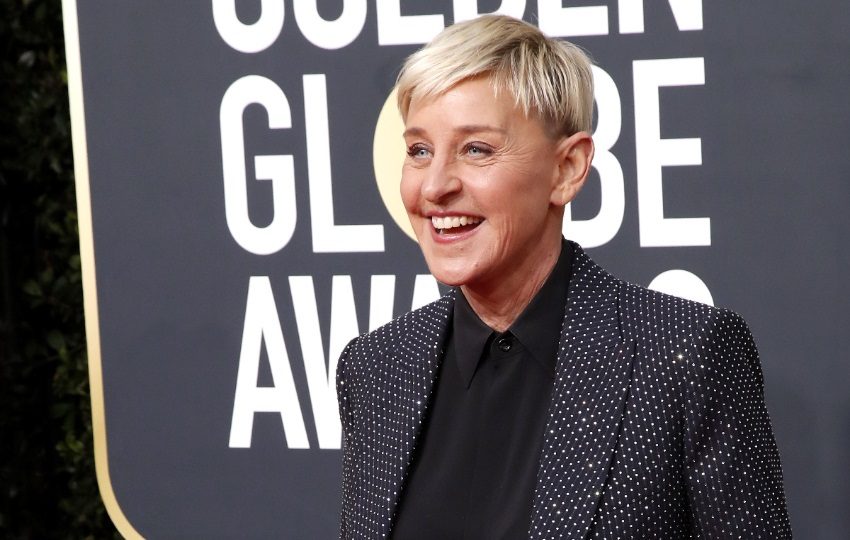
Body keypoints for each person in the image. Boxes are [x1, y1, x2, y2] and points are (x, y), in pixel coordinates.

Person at [336, 14, 790, 539]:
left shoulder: (683, 356)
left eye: (476, 149)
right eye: (418, 150)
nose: (434, 186)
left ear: (568, 168)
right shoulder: (376, 369)